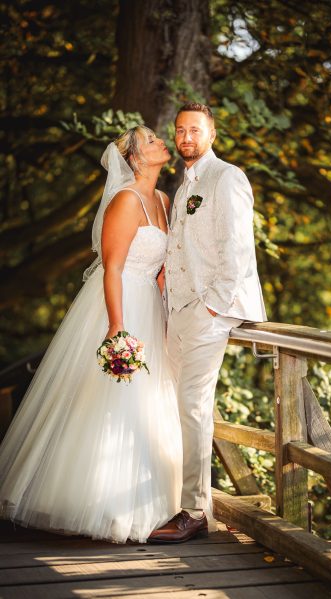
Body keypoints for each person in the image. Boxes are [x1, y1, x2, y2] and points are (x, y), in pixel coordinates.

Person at [0, 126, 183, 543]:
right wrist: (117, 326)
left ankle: (148, 504)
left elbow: (160, 269)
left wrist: (168, 312)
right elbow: (113, 267)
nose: (160, 143)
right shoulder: (125, 200)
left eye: (158, 138)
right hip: (120, 305)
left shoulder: (164, 200)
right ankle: (99, 505)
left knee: (148, 400)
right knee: (111, 398)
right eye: (151, 140)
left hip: (152, 309)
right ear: (135, 159)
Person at [147, 103, 267, 544]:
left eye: (194, 130)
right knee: (179, 408)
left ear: (211, 134)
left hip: (208, 313)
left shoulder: (227, 177)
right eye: (179, 130)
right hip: (177, 312)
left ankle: (195, 511)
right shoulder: (183, 186)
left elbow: (236, 249)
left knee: (194, 408)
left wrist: (212, 308)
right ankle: (181, 499)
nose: (185, 137)